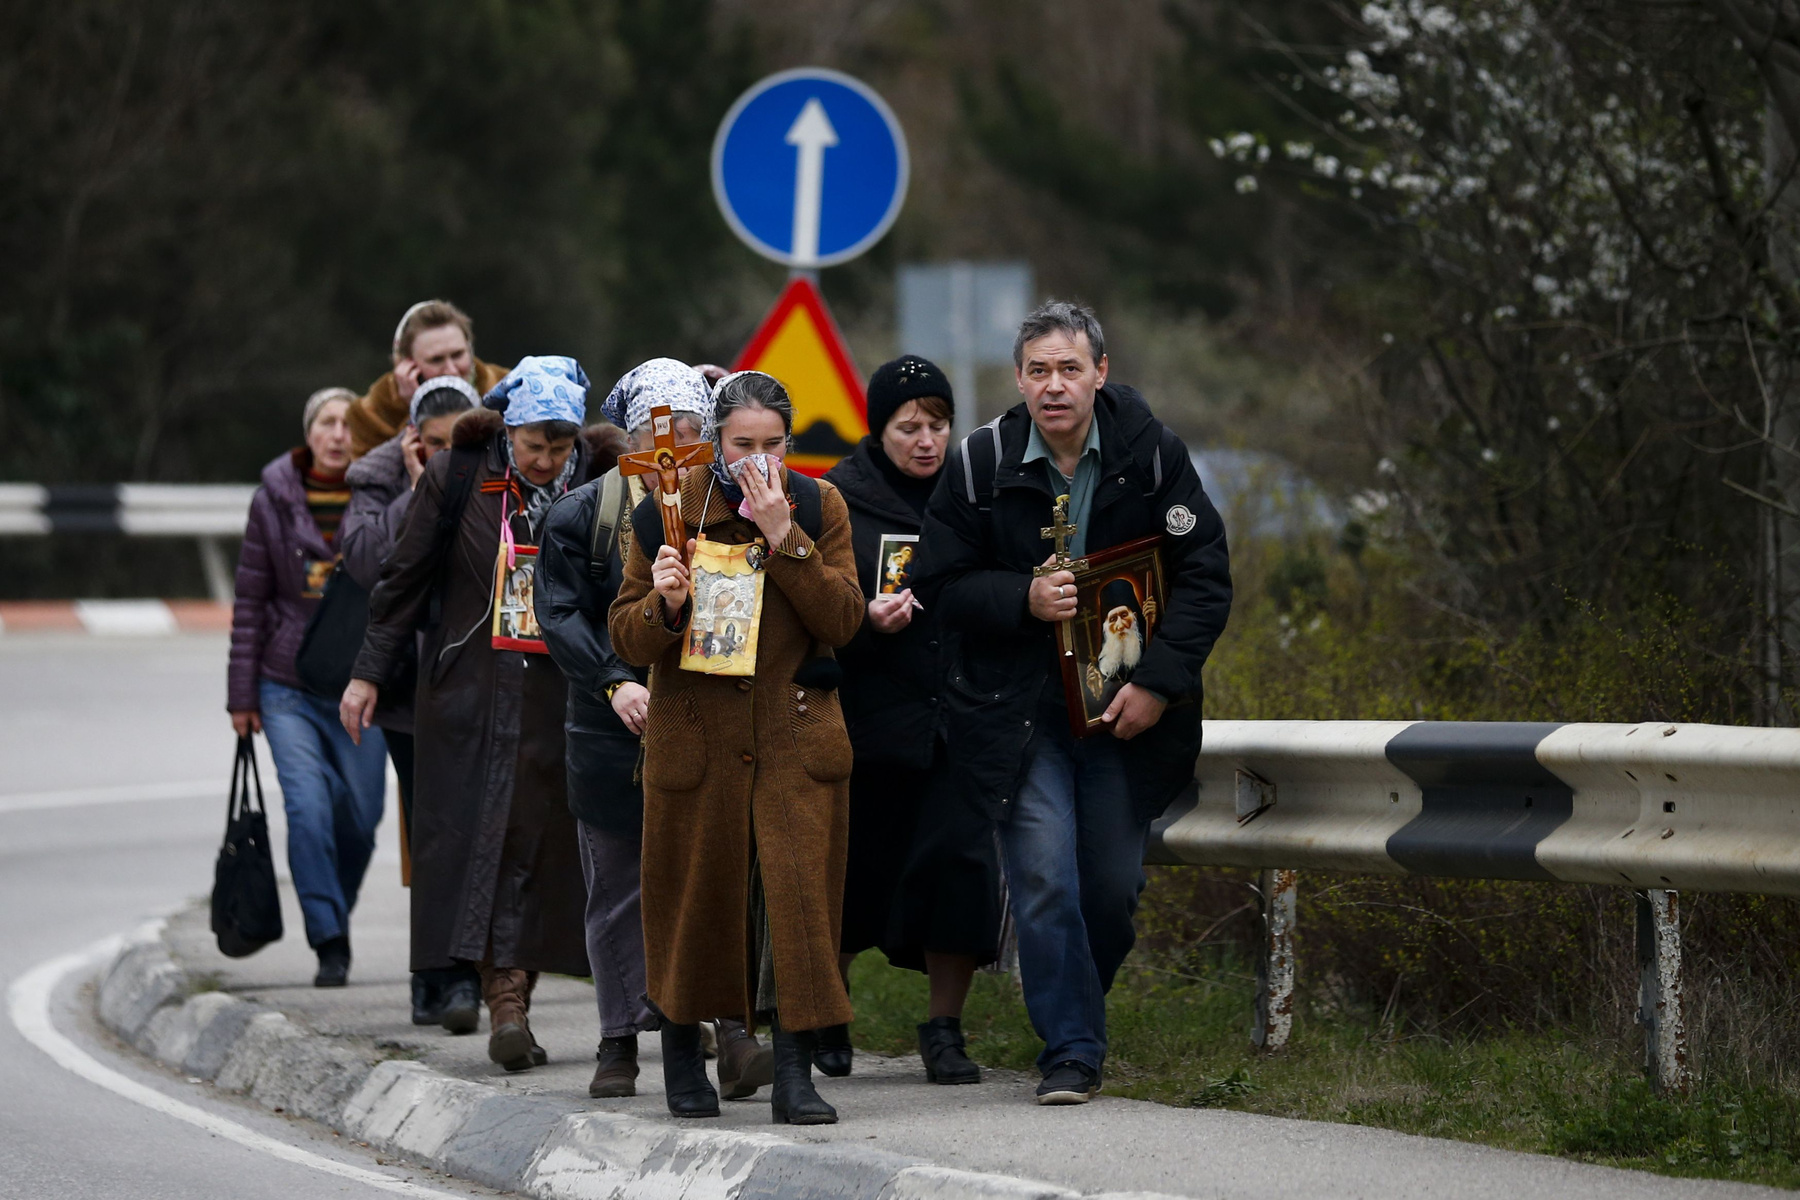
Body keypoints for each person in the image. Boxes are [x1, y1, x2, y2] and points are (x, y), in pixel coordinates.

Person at [915, 301, 1232, 1105]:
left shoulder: (1152, 455)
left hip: (1124, 712)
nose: (1053, 386)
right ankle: (1072, 1051)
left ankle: (1069, 994)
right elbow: (938, 586)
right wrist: (1020, 598)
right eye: (1038, 371)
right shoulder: (981, 462)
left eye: (1069, 368)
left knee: (1110, 891)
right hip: (1019, 714)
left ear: (1100, 372)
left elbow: (1205, 576)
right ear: (1019, 379)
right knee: (1046, 878)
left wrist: (1158, 684)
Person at [340, 356, 617, 1073]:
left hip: (565, 695)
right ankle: (507, 1006)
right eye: (534, 446)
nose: (546, 460)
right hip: (472, 693)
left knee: (545, 848)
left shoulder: (600, 481)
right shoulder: (458, 474)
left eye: (560, 446)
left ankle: (539, 997)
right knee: (487, 843)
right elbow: (403, 579)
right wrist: (368, 674)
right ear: (508, 430)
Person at [608, 371, 864, 1125]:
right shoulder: (667, 507)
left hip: (793, 737)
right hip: (697, 739)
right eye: (742, 443)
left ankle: (793, 1074)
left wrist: (787, 539)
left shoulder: (820, 504)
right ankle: (682, 1059)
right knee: (693, 901)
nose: (758, 459)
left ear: (790, 442)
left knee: (796, 907)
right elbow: (625, 636)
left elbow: (845, 620)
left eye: (773, 444)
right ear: (715, 442)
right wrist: (664, 604)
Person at [535, 358, 772, 1102]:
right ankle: (617, 1040)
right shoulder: (581, 515)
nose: (672, 449)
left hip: (705, 724)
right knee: (616, 886)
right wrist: (615, 681)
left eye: (692, 432)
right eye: (653, 434)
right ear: (628, 438)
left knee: (715, 876)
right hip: (608, 728)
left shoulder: (727, 512)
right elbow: (560, 614)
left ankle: (731, 1028)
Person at [822, 355, 997, 1086]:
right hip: (867, 724)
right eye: (909, 427)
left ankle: (944, 1029)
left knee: (961, 874)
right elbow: (809, 609)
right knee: (851, 877)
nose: (927, 441)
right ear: (878, 428)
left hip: (957, 721)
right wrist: (863, 621)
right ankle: (828, 1015)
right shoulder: (835, 499)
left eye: (939, 424)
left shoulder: (975, 491)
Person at [228, 386, 389, 988]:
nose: (338, 434)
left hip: (362, 683)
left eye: (349, 424)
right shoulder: (272, 497)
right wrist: (241, 696)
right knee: (308, 808)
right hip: (286, 685)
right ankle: (328, 938)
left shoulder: (381, 491)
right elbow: (250, 600)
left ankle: (332, 908)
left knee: (362, 816)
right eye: (327, 422)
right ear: (309, 432)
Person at [340, 374, 483, 1031]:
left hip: (473, 677)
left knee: (474, 829)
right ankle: (430, 977)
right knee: (430, 831)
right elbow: (369, 563)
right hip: (407, 687)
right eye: (434, 445)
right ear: (411, 440)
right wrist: (419, 491)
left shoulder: (494, 478)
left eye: (459, 445)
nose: (447, 456)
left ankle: (465, 977)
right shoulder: (377, 478)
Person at [347, 299, 512, 458]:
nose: (451, 370)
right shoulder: (370, 414)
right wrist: (414, 411)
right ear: (406, 364)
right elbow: (370, 473)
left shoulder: (508, 388)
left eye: (457, 355)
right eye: (436, 360)